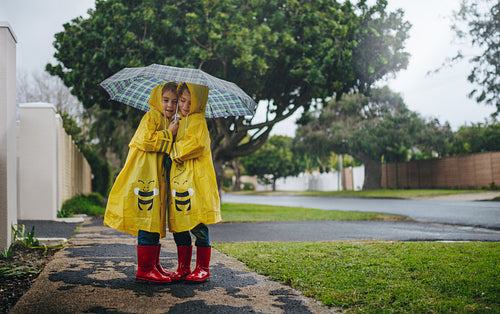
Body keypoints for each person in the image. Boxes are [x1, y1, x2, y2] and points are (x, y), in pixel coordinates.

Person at [104, 81, 179, 284]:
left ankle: (154, 265)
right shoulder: (152, 116)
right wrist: (168, 134)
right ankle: (144, 268)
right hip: (145, 176)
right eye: (165, 100)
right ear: (157, 100)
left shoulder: (169, 120)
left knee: (154, 219)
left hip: (156, 176)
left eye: (174, 101)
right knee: (147, 219)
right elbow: (145, 140)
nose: (170, 106)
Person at [168, 82, 221, 283]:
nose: (186, 106)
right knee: (180, 225)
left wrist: (173, 148)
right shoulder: (178, 120)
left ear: (200, 103)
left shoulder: (198, 120)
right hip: (179, 181)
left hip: (195, 182)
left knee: (197, 223)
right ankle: (183, 267)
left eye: (191, 102)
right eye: (182, 101)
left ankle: (203, 267)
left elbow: (197, 144)